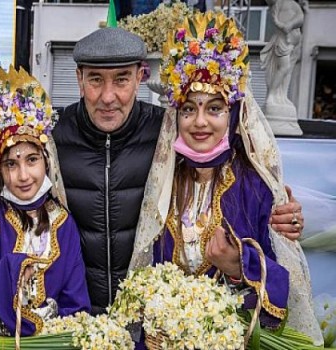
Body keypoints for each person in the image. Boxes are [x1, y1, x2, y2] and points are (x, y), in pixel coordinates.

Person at [0, 26, 306, 316]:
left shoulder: (168, 136)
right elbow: (13, 197)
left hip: (148, 323)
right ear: (79, 79)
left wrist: (279, 215)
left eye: (122, 80)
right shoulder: (51, 142)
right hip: (74, 320)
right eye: (96, 80)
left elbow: (221, 177)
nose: (108, 96)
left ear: (141, 77)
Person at [129, 11, 322, 344]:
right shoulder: (163, 181)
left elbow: (284, 290)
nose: (200, 121)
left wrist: (239, 268)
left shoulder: (254, 186)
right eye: (189, 108)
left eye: (214, 108)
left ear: (234, 113)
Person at [0, 67, 91, 337]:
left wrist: (54, 333)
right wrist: (14, 269)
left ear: (46, 160)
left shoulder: (63, 223)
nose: (24, 176)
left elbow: (76, 300)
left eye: (32, 160)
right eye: (11, 164)